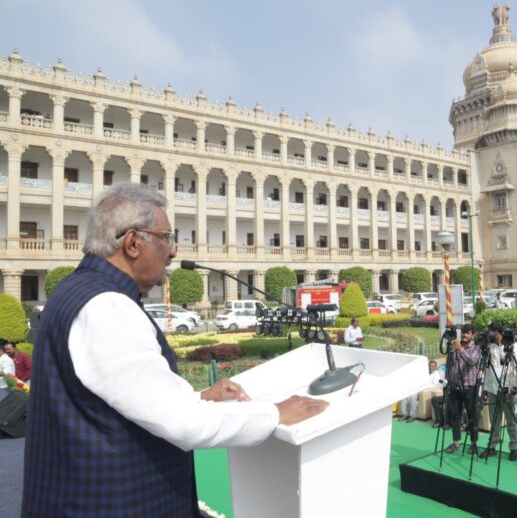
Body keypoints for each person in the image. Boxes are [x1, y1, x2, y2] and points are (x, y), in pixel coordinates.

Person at [22, 184, 328, 517]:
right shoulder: (106, 306)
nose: (172, 251)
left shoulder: (76, 288)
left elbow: (113, 396)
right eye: (167, 237)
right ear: (133, 242)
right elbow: (185, 425)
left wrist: (199, 398)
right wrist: (275, 413)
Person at [480, 325, 517, 461]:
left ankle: (514, 447)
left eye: (491, 332)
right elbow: (487, 369)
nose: (489, 334)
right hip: (492, 388)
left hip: (507, 388)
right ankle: (492, 446)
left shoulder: (512, 346)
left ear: (498, 332)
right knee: (494, 420)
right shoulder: (490, 347)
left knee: (511, 420)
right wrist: (485, 389)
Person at [444, 325, 481, 454]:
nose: (464, 335)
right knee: (455, 415)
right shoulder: (454, 346)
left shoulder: (476, 348)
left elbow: (472, 361)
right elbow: (450, 365)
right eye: (463, 332)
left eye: (467, 333)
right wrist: (448, 382)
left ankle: (473, 443)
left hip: (469, 386)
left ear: (473, 335)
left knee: (472, 415)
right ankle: (456, 442)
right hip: (454, 386)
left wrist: (460, 349)